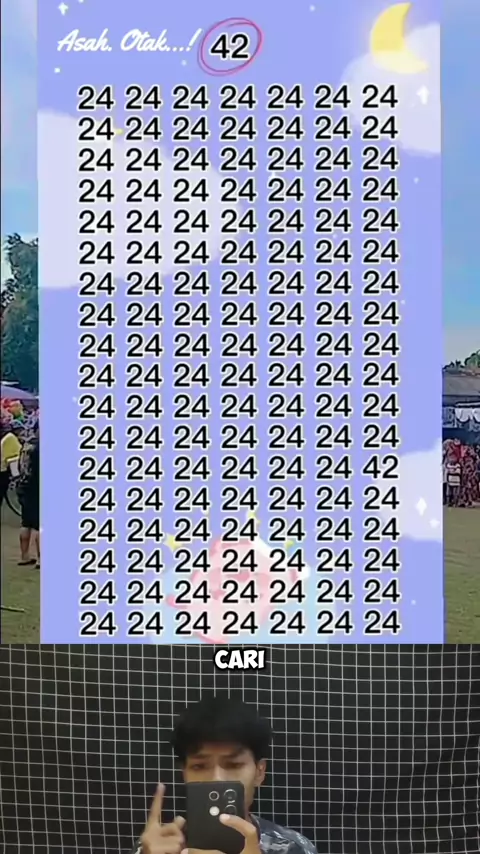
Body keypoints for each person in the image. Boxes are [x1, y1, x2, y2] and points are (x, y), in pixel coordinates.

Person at [133, 696, 317, 854]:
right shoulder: (157, 847)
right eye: (199, 766)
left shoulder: (292, 848)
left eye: (234, 765)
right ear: (184, 773)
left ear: (259, 772)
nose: (217, 778)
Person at [16, 422, 40, 568]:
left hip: (23, 485)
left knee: (26, 523)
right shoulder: (40, 447)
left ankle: (24, 556)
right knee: (40, 525)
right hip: (36, 488)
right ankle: (41, 559)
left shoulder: (26, 445)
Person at [0, 422, 22, 506]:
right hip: (3, 473)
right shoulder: (10, 438)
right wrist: (16, 477)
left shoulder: (7, 437)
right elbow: (13, 458)